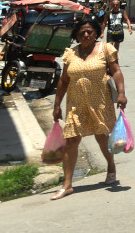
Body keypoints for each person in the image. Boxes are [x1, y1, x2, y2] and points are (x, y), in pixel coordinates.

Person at [50, 15, 127, 199]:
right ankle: (67, 184)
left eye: (89, 32)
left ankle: (111, 165)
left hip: (99, 102)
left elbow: (116, 71)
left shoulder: (105, 49)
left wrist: (122, 93)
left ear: (96, 34)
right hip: (76, 104)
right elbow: (64, 80)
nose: (86, 34)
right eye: (82, 32)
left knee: (102, 137)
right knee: (71, 141)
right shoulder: (71, 54)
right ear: (77, 35)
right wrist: (57, 104)